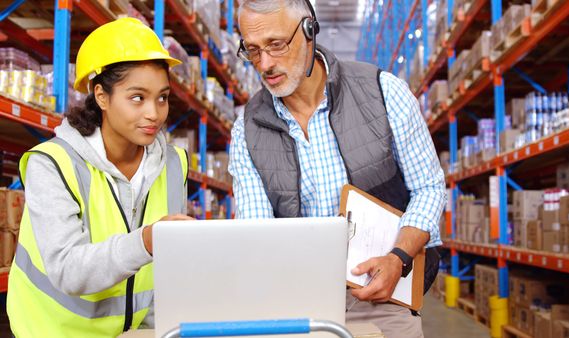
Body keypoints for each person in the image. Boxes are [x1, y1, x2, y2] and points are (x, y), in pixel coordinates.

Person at [228, 1, 446, 337]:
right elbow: (258, 230)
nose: (265, 64)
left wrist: (398, 258)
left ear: (309, 31)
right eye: (253, 50)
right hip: (297, 299)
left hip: (382, 298)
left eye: (276, 44)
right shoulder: (247, 129)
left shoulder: (382, 92)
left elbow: (429, 189)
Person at [7, 18, 193, 338]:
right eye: (138, 97)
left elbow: (166, 272)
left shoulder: (174, 164)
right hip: (52, 332)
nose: (154, 113)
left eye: (162, 98)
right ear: (102, 96)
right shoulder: (53, 163)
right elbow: (67, 269)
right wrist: (146, 240)